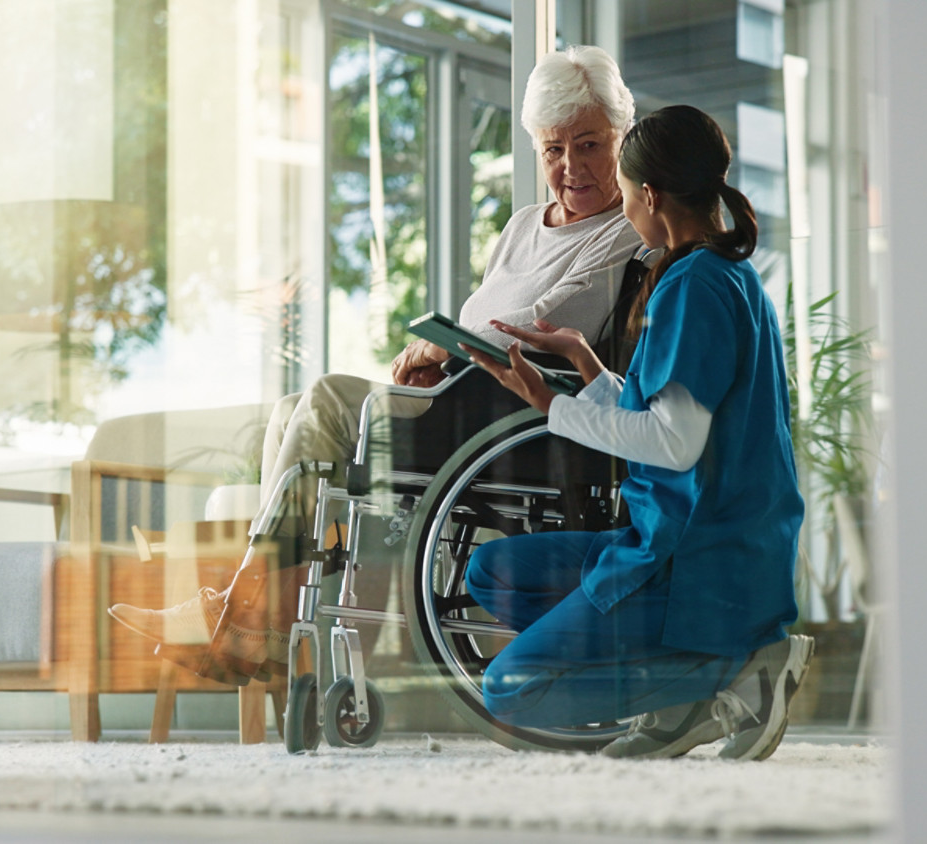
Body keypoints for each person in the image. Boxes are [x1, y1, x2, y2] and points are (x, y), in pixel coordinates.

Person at [108, 45, 644, 684]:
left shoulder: (626, 230)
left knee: (332, 397)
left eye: (588, 145)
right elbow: (489, 318)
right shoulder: (525, 224)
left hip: (518, 417)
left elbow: (548, 326)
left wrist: (452, 349)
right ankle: (261, 627)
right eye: (553, 150)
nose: (570, 167)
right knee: (289, 413)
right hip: (465, 399)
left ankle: (233, 612)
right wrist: (441, 366)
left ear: (623, 138)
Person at [460, 104, 811, 760]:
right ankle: (676, 700)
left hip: (694, 560)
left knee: (511, 688)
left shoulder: (692, 288)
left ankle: (734, 671)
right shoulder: (726, 276)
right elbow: (673, 417)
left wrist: (551, 408)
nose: (622, 211)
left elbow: (675, 444)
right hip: (678, 536)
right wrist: (587, 366)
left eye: (623, 196)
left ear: (650, 195)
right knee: (491, 571)